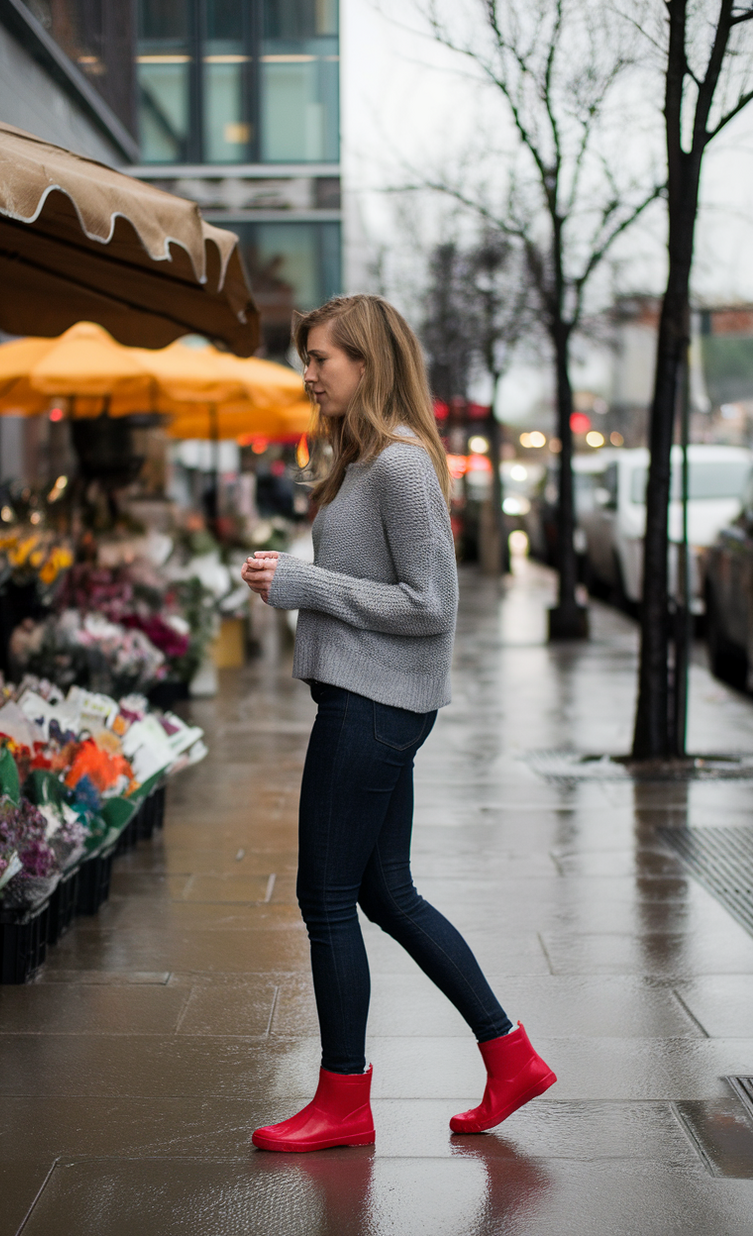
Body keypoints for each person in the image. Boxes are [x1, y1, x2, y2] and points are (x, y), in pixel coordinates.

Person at [241, 294, 555, 1153]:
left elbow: (432, 605)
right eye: (306, 357)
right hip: (371, 699)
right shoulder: (362, 457)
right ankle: (510, 1056)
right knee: (385, 891)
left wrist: (303, 584)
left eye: (322, 358)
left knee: (326, 897)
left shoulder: (401, 465)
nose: (308, 373)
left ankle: (343, 1100)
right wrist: (305, 581)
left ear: (369, 363)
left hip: (376, 706)